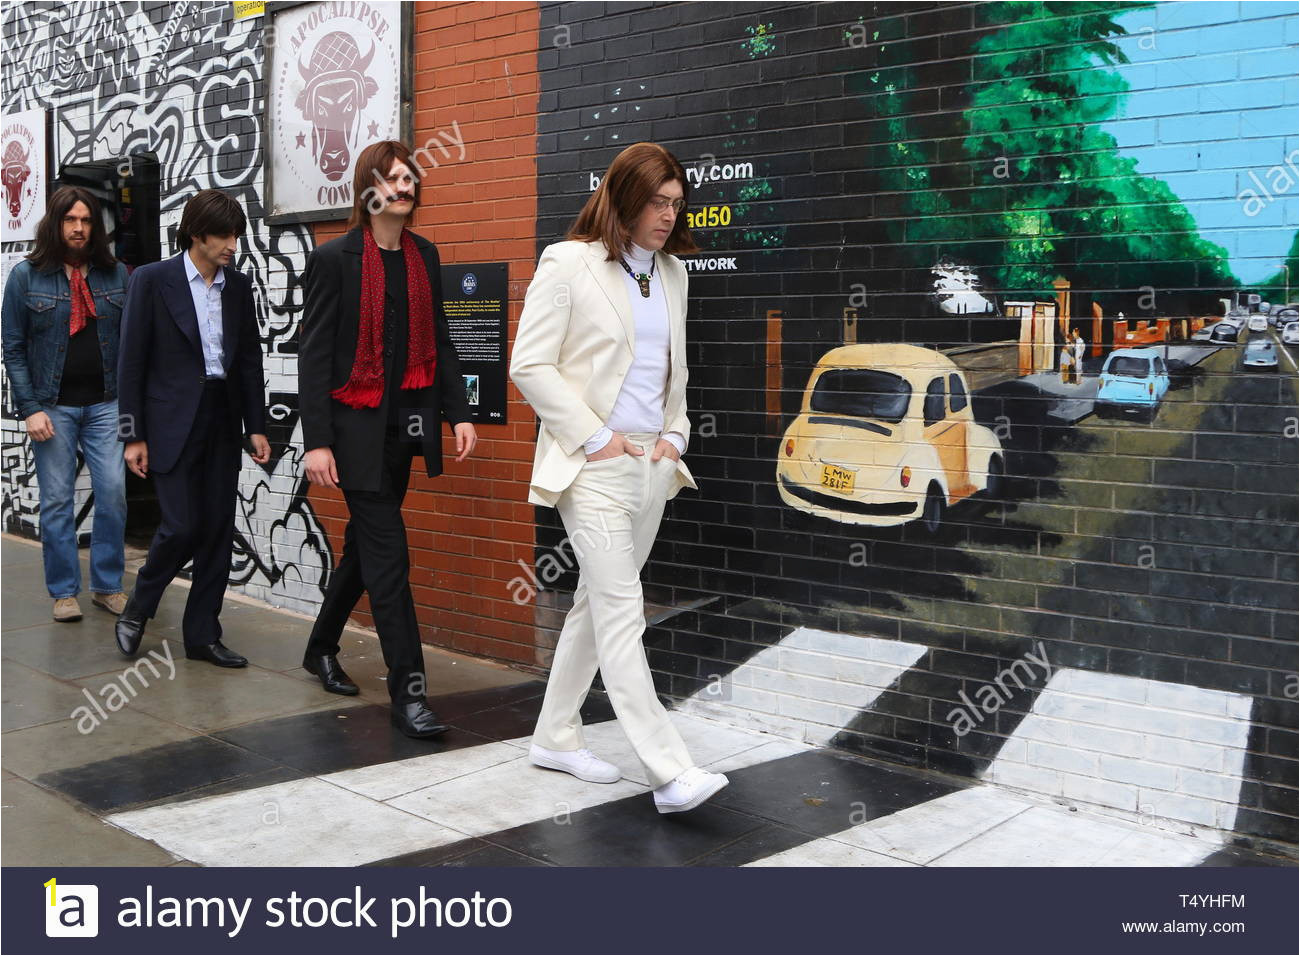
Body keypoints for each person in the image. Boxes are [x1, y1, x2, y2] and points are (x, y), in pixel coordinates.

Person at [510, 142, 728, 814]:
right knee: (621, 608)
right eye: (657, 202)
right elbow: (530, 364)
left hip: (652, 465)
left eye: (676, 203)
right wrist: (598, 439)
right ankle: (670, 771)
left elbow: (674, 372)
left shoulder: (672, 274)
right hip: (594, 463)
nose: (669, 215)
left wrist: (675, 437)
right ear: (625, 198)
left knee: (593, 606)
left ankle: (553, 734)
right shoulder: (569, 263)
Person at [298, 140, 477, 739]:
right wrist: (316, 441)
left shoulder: (424, 256)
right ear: (369, 189)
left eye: (410, 178)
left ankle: (320, 645)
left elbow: (443, 342)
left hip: (406, 431)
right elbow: (315, 356)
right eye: (393, 179)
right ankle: (411, 694)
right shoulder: (334, 260)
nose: (405, 187)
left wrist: (460, 413)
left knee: (364, 551)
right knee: (391, 558)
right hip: (352, 435)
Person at [113, 189, 270, 665]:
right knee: (181, 526)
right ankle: (139, 605)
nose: (233, 245)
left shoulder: (238, 287)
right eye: (224, 234)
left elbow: (247, 361)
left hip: (222, 417)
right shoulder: (151, 280)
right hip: (168, 423)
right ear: (196, 234)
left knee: (218, 530)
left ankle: (202, 635)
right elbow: (131, 362)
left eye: (237, 235)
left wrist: (256, 425)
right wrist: (131, 434)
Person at [1, 186, 130, 622]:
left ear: (96, 226)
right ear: (55, 224)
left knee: (113, 493)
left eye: (87, 220)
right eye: (70, 220)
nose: (78, 228)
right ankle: (63, 591)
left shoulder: (117, 275)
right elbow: (13, 347)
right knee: (57, 500)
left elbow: (133, 343)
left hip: (106, 403)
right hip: (51, 405)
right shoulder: (27, 277)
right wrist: (30, 407)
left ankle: (108, 586)